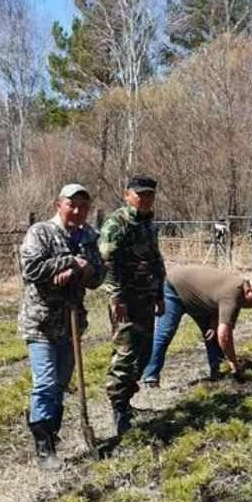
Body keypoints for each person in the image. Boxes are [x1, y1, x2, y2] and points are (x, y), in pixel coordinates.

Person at [18, 183, 105, 469]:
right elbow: (30, 269)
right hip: (41, 322)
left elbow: (98, 274)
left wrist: (86, 271)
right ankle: (43, 449)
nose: (78, 211)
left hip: (71, 323)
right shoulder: (40, 232)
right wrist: (68, 263)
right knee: (44, 383)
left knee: (59, 385)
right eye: (72, 205)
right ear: (59, 205)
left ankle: (50, 434)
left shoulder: (89, 236)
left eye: (83, 206)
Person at [99, 174, 166, 436]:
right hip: (125, 300)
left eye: (149, 195)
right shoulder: (117, 223)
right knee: (126, 353)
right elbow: (108, 262)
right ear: (127, 195)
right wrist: (116, 297)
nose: (145, 199)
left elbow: (155, 260)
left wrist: (159, 293)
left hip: (147, 298)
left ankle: (127, 399)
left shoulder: (149, 224)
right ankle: (118, 407)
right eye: (140, 195)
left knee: (144, 352)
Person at [141, 265, 252, 387]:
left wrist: (213, 325)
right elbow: (224, 336)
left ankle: (218, 371)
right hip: (175, 287)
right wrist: (234, 364)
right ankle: (150, 378)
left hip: (197, 298)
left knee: (212, 334)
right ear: (250, 291)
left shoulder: (239, 293)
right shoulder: (233, 294)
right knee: (164, 334)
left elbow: (216, 302)